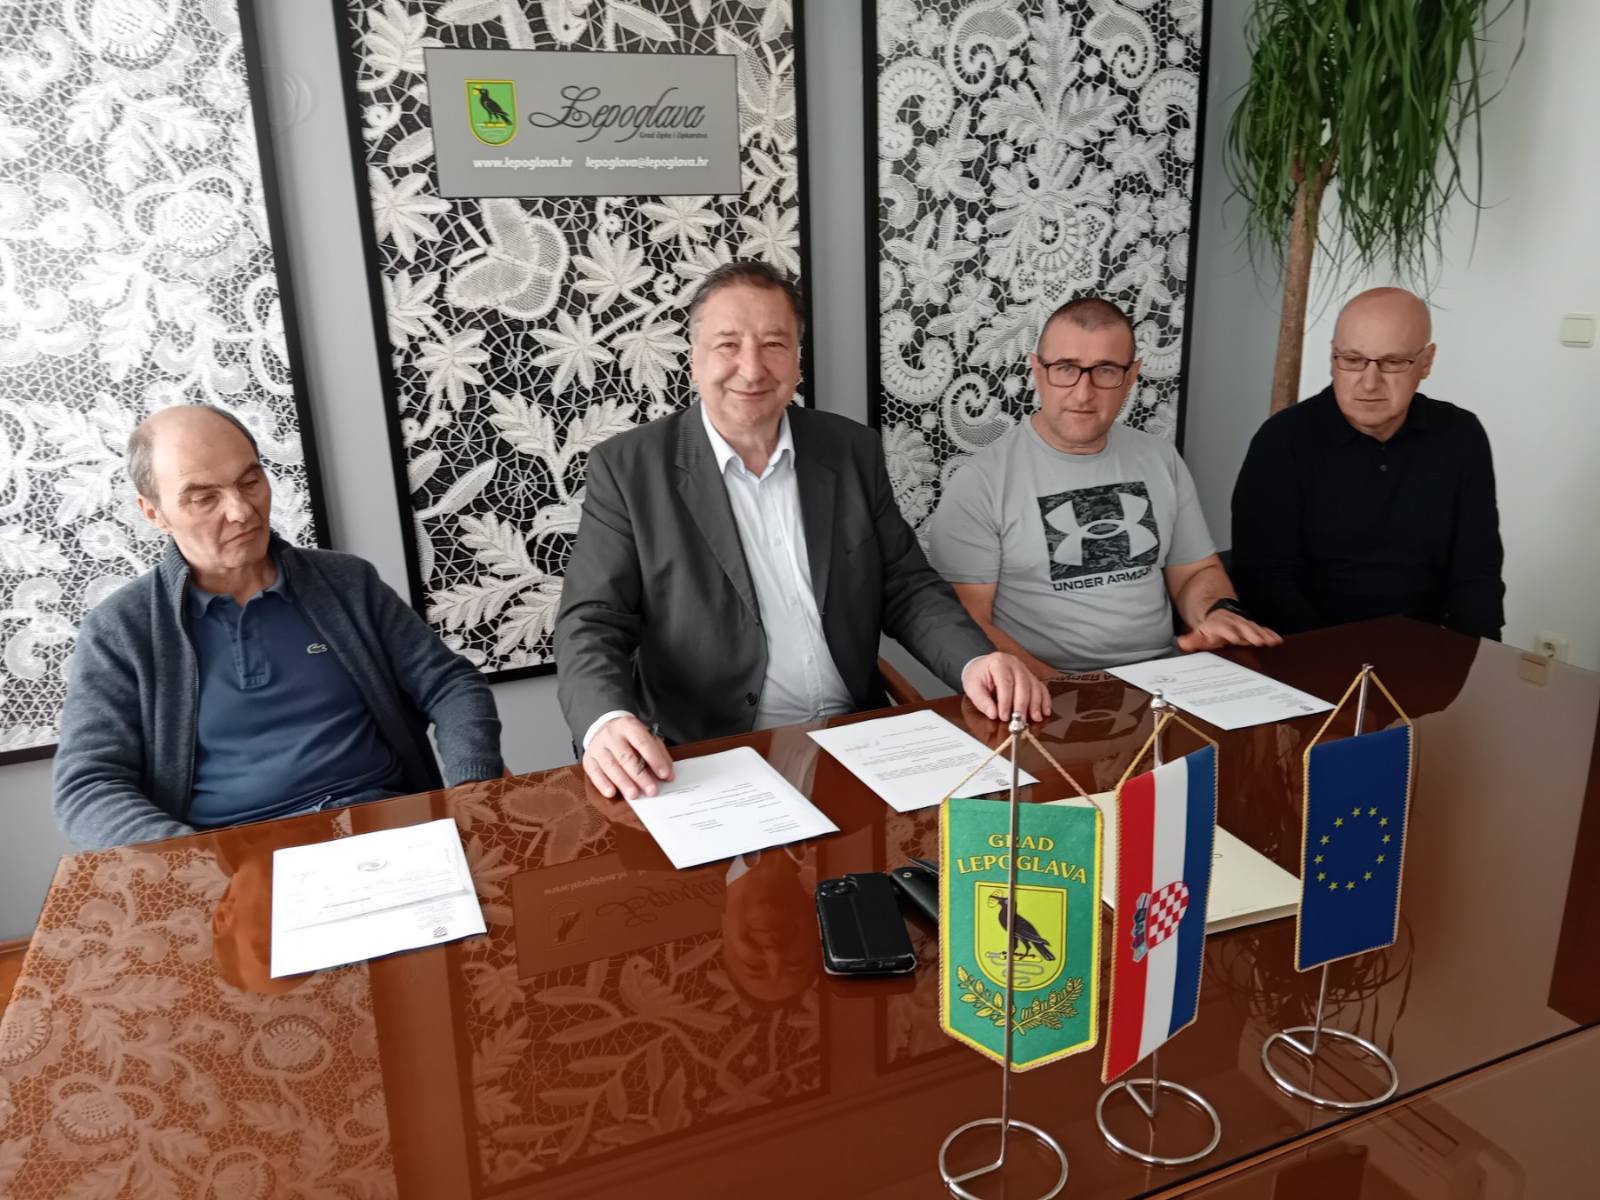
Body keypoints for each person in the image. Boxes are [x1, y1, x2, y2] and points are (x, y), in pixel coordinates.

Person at [554, 260, 1049, 802]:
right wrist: (606, 719)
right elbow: (591, 620)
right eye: (727, 345)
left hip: (857, 737)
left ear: (796, 359)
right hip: (715, 754)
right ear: (694, 358)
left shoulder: (850, 450)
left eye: (774, 344)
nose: (752, 369)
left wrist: (976, 659)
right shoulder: (629, 469)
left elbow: (906, 586)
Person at [53, 405, 504, 850]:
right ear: (154, 513)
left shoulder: (346, 582)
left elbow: (449, 683)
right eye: (204, 498)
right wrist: (193, 861)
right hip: (232, 858)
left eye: (250, 482)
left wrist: (471, 786)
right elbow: (87, 786)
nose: (241, 511)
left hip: (385, 827)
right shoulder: (121, 629)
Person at [926, 297, 1280, 677]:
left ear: (1131, 376)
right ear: (1037, 370)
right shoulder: (981, 482)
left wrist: (1218, 611)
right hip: (1047, 688)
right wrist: (1066, 689)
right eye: (1066, 368)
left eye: (1106, 370)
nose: (1083, 393)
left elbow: (1195, 572)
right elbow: (969, 622)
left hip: (1166, 678)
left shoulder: (1161, 458)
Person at [1231, 287, 1504, 639]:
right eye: (1352, 359)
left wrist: (1478, 657)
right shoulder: (1283, 439)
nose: (1370, 382)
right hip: (1306, 647)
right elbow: (1264, 580)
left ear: (1426, 362)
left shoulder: (1460, 435)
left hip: (1426, 647)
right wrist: (1338, 657)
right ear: (1332, 358)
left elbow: (1477, 574)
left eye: (1392, 362)